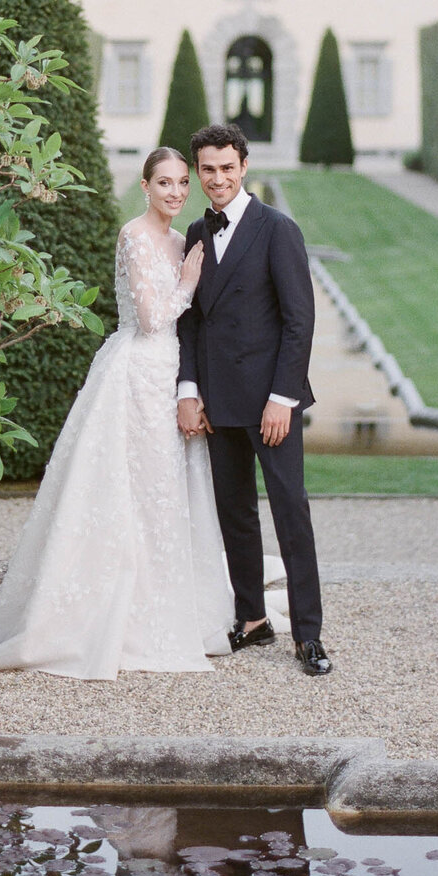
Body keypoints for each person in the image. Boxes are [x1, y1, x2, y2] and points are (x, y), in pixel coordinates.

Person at [0, 147, 234, 679]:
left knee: (167, 492)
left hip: (170, 375)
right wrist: (190, 281)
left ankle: (172, 607)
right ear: (145, 186)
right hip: (135, 374)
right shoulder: (135, 235)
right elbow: (151, 319)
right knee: (126, 489)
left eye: (181, 184)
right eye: (164, 183)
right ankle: (101, 615)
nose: (175, 192)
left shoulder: (181, 240)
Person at [177, 123, 331, 676]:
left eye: (226, 167)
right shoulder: (196, 231)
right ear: (198, 173)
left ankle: (308, 635)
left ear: (243, 167)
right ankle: (252, 618)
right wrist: (189, 391)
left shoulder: (277, 229)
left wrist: (282, 398)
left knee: (292, 511)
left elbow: (299, 321)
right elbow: (191, 320)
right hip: (218, 400)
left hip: (272, 403)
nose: (217, 179)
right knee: (234, 512)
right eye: (207, 170)